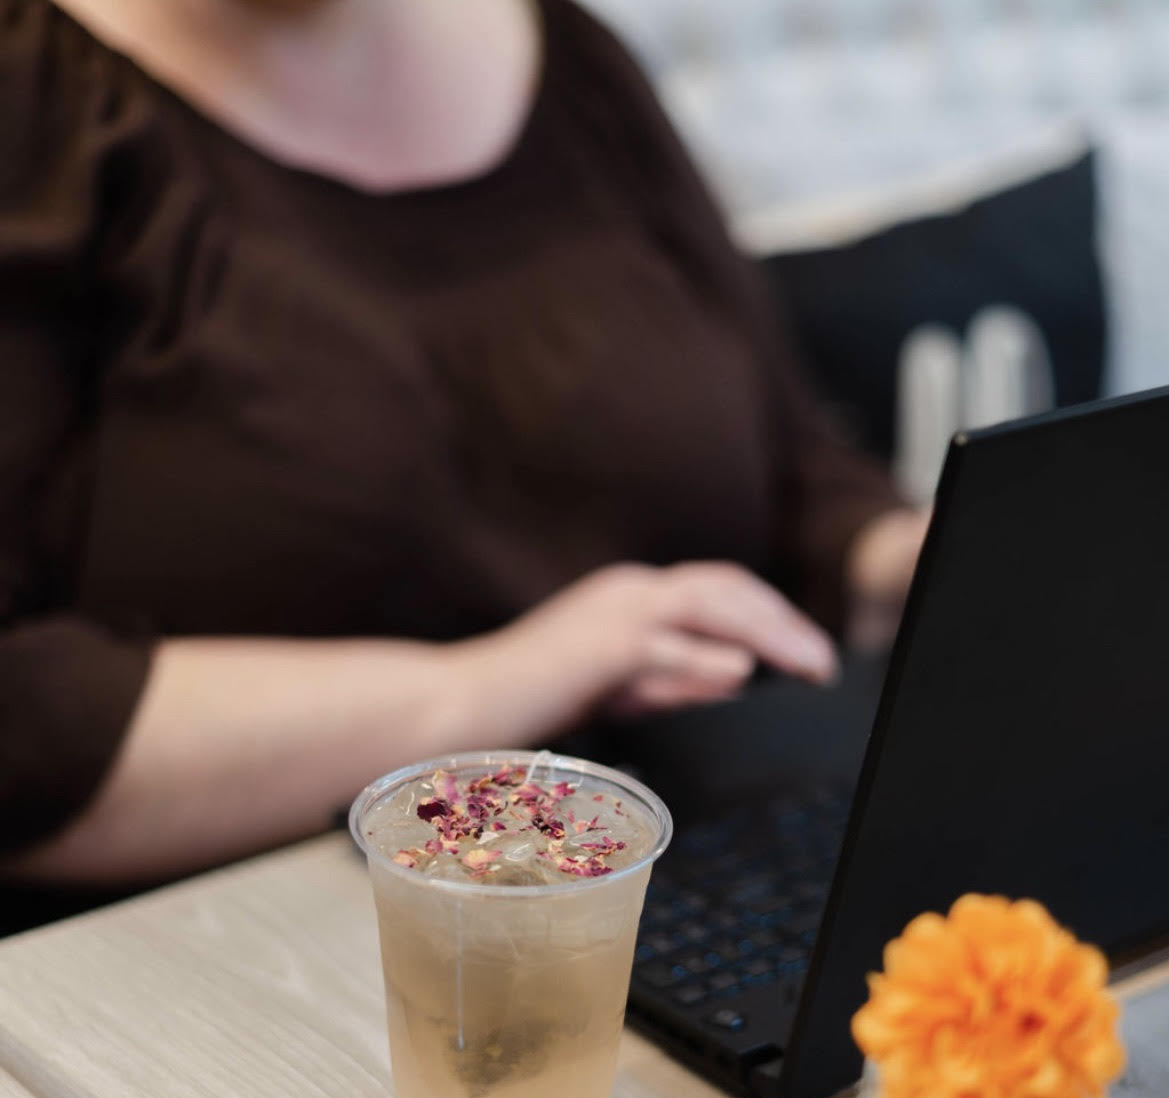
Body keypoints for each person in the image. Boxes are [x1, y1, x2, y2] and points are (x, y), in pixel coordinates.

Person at [0, 0, 927, 930]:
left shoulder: (566, 52)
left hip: (661, 890)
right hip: (226, 955)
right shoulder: (35, 94)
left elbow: (792, 470)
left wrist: (897, 558)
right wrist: (506, 683)